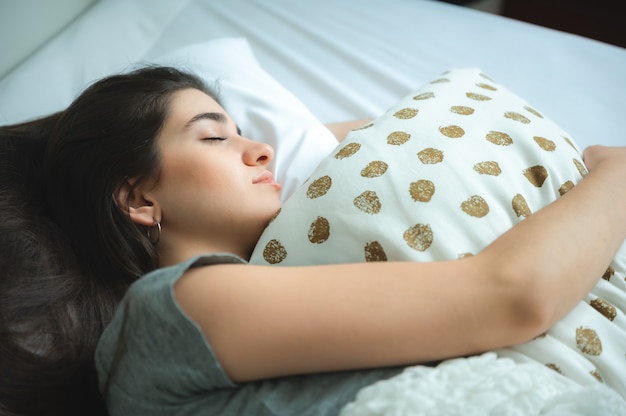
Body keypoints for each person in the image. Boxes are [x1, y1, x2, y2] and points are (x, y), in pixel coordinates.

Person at [0, 66, 624, 416]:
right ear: (140, 199)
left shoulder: (266, 273)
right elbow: (511, 297)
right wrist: (616, 173)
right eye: (214, 137)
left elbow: (340, 142)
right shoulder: (175, 308)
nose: (260, 148)